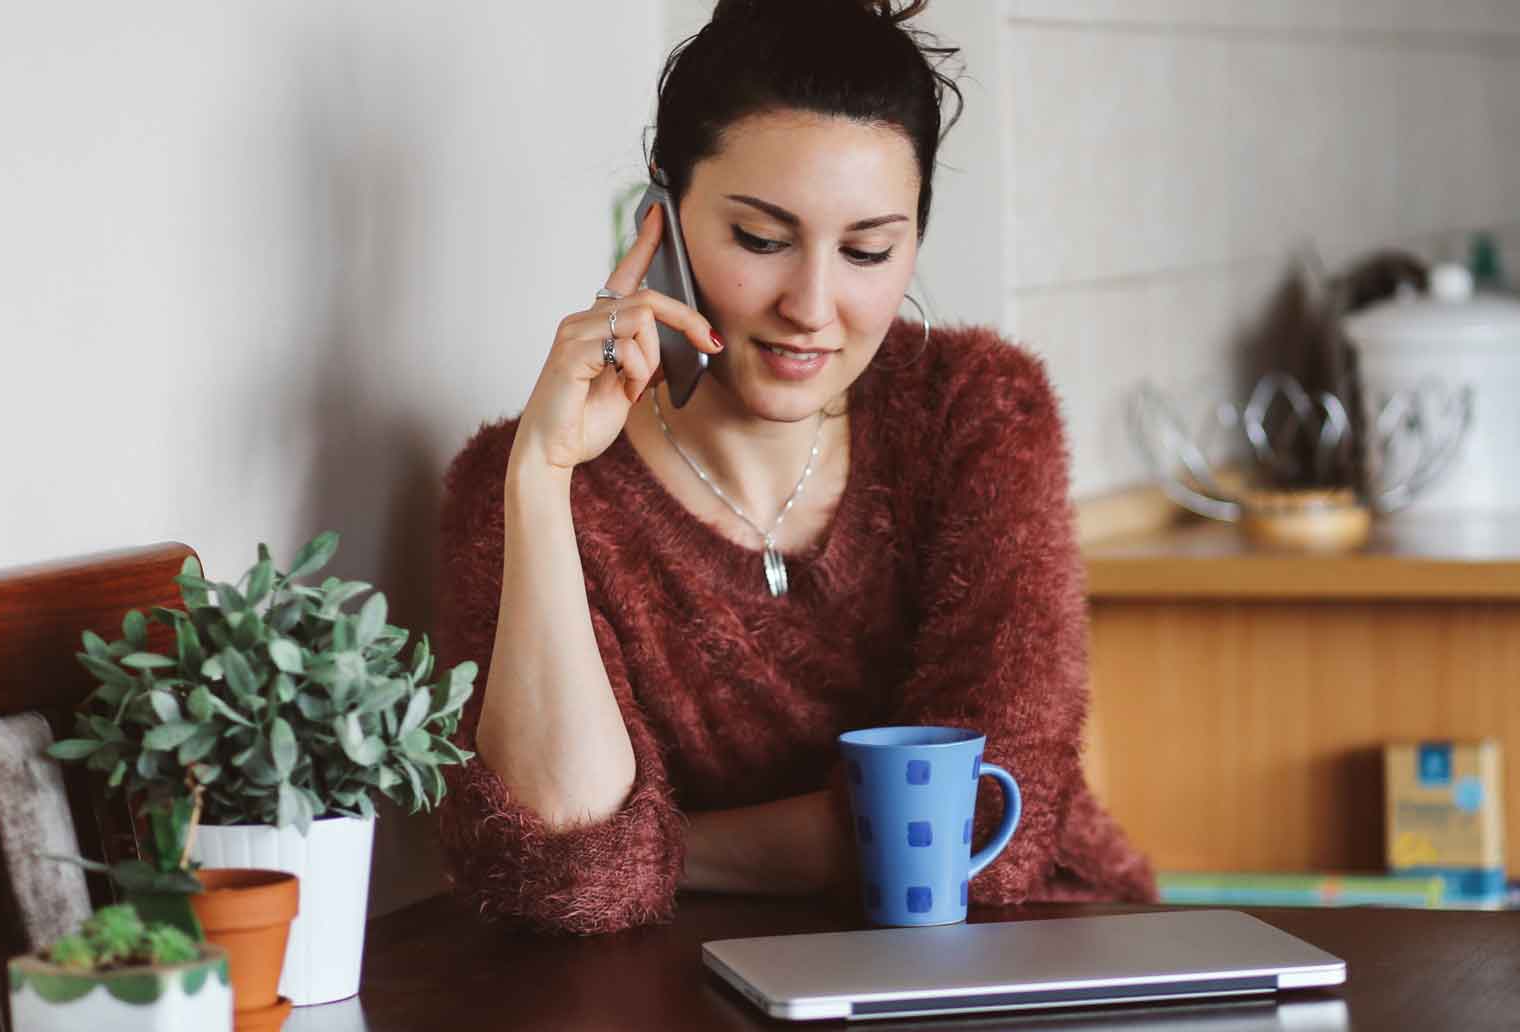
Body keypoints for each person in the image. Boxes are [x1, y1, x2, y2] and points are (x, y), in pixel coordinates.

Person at [433, 0, 1155, 934]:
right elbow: (561, 876)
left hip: (1047, 952)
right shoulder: (525, 480)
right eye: (762, 240)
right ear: (661, 214)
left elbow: (977, 832)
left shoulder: (977, 410)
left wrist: (656, 852)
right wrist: (539, 478)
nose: (814, 305)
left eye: (868, 250)